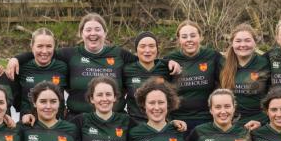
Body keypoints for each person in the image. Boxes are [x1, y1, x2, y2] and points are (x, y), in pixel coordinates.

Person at [10, 13, 178, 118]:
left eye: (97, 29)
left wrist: (166, 62)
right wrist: (16, 59)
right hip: (78, 118)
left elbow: (144, 58)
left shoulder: (119, 54)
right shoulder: (69, 54)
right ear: (81, 33)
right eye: (88, 30)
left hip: (113, 118)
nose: (93, 34)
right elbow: (43, 51)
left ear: (105, 33)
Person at [165, 20, 224, 135]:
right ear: (179, 40)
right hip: (179, 121)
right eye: (184, 36)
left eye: (193, 35)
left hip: (208, 120)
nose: (189, 40)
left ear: (201, 37)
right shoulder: (170, 59)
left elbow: (230, 74)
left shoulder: (213, 56)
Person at [219, 23, 270, 128]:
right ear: (232, 43)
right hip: (229, 122)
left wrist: (262, 121)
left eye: (247, 40)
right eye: (238, 41)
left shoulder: (265, 63)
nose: (243, 45)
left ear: (255, 43)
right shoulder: (222, 63)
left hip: (258, 121)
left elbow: (274, 96)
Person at [13, 28, 68, 120]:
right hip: (28, 125)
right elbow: (15, 97)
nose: (44, 51)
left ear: (54, 47)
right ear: (32, 47)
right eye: (40, 46)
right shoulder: (20, 68)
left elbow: (72, 90)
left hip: (56, 126)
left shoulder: (63, 67)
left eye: (49, 46)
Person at [123, 32, 170, 122]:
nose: (147, 50)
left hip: (161, 123)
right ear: (136, 50)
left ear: (157, 49)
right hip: (135, 123)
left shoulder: (167, 68)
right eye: (143, 46)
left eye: (151, 46)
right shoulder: (127, 70)